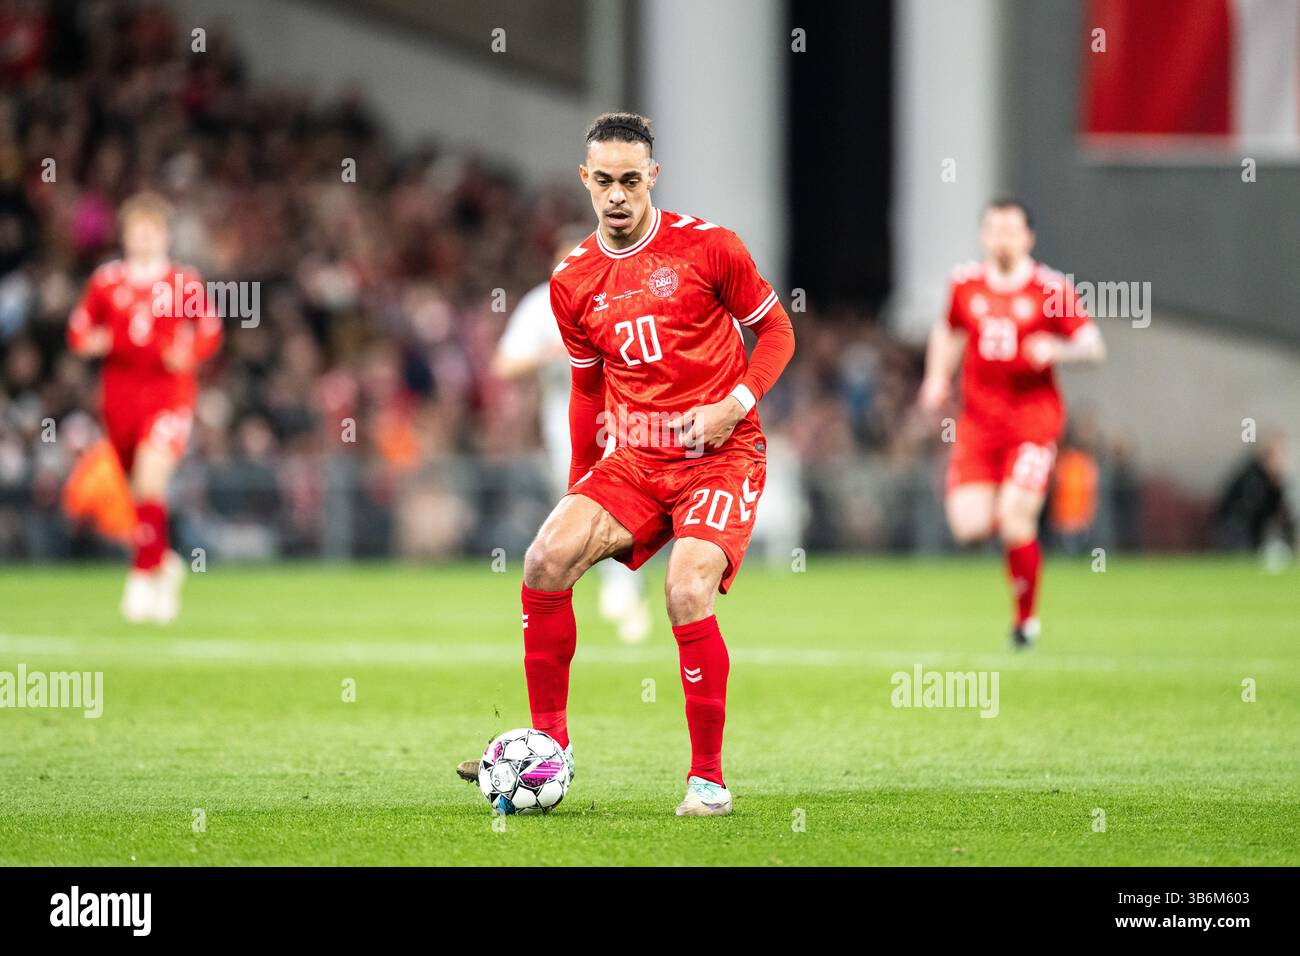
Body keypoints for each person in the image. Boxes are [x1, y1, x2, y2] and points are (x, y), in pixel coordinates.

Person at [458, 112, 795, 815]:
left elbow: (778, 331)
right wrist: (582, 481)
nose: (617, 194)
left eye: (630, 180)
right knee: (544, 560)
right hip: (635, 456)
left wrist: (735, 403)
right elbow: (586, 390)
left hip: (719, 454)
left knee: (684, 591)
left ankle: (708, 780)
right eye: (604, 180)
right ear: (586, 180)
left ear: (653, 178)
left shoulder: (708, 249)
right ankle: (550, 751)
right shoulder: (574, 280)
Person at [919, 198, 1104, 648]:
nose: (1002, 238)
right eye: (994, 230)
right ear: (984, 235)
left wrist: (1056, 350)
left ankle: (1025, 623)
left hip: (1032, 425)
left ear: (1028, 237)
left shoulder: (1050, 289)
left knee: (1015, 515)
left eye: (1010, 230)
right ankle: (1012, 527)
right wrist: (936, 376)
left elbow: (1093, 346)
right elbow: (950, 330)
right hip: (979, 426)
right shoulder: (965, 284)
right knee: (967, 526)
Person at [492, 225, 653, 644]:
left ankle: (624, 589)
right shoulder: (541, 304)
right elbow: (504, 365)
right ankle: (609, 587)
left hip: (623, 420)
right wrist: (554, 352)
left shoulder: (622, 295)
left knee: (623, 502)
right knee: (582, 510)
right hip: (565, 428)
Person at [67, 192, 222, 623]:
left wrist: (188, 352)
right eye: (137, 230)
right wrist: (91, 343)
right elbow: (78, 330)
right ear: (125, 234)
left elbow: (209, 330)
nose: (144, 238)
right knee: (138, 491)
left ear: (166, 235)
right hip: (119, 399)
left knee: (151, 481)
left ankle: (140, 578)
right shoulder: (106, 281)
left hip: (169, 396)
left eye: (152, 230)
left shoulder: (183, 282)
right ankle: (164, 565)